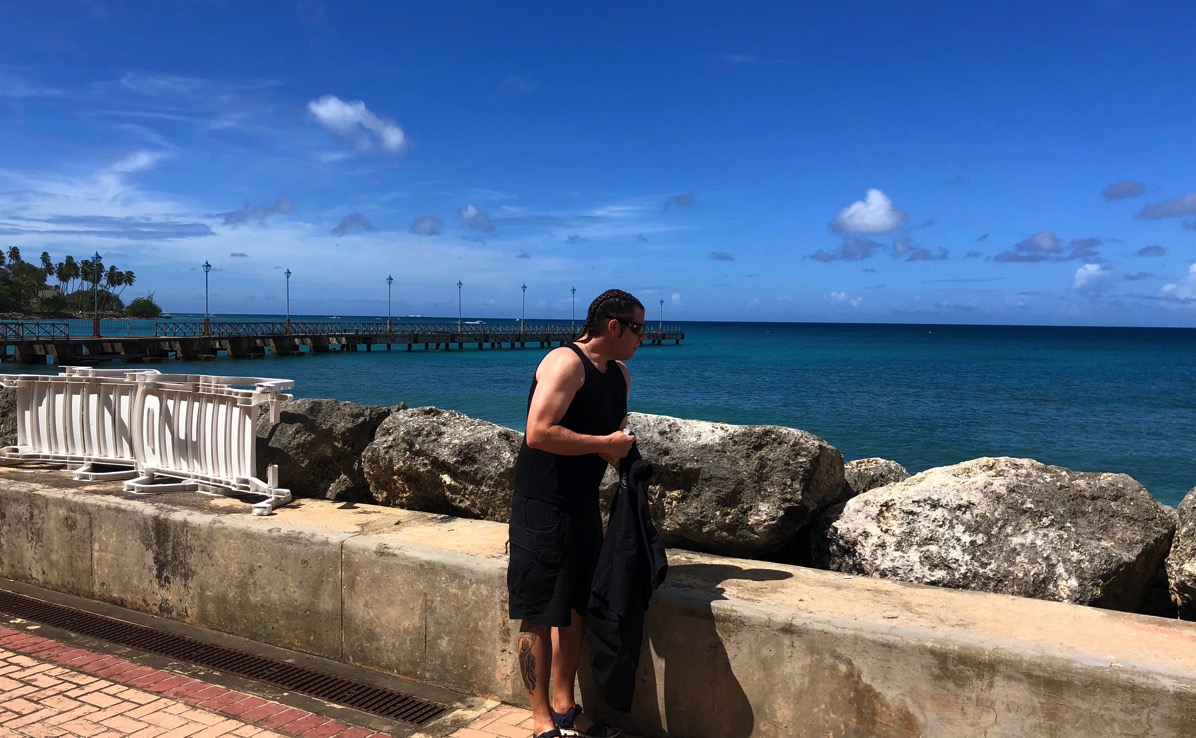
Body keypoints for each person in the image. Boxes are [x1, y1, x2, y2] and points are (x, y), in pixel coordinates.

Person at [508, 289, 647, 738]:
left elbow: (609, 438)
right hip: (542, 506)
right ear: (614, 326)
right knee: (538, 612)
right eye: (639, 329)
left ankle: (566, 705)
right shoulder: (564, 363)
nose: (643, 338)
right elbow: (537, 432)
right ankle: (540, 718)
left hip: (584, 504)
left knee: (577, 608)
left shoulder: (620, 375)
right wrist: (605, 445)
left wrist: (627, 464)